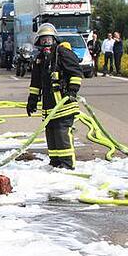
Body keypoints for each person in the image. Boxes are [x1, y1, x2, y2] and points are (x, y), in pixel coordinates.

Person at [26, 23, 82, 169]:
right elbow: (36, 82)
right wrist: (32, 100)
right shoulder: (40, 59)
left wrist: (72, 91)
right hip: (49, 105)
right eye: (43, 40)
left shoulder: (62, 53)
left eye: (48, 40)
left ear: (54, 40)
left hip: (63, 103)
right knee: (51, 132)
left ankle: (67, 164)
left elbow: (76, 72)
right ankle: (55, 161)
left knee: (61, 131)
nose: (46, 43)